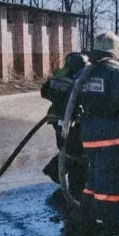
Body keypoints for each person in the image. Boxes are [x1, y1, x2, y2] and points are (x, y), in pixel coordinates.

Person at [79, 31, 119, 236]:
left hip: (90, 134)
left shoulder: (86, 72)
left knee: (94, 179)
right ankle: (111, 228)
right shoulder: (115, 72)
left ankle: (87, 220)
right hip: (111, 134)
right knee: (112, 183)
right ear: (116, 51)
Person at [40, 52, 90, 202]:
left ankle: (59, 172)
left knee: (68, 149)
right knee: (77, 151)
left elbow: (44, 91)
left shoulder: (59, 78)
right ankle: (73, 184)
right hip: (69, 121)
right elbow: (74, 104)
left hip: (57, 120)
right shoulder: (77, 81)